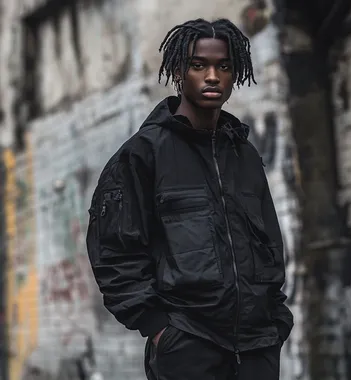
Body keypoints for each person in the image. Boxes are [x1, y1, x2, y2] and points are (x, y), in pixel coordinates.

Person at [86, 18, 293, 380]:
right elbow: (113, 251)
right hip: (189, 346)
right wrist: (159, 327)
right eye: (199, 65)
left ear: (235, 74)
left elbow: (270, 244)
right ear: (180, 71)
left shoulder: (244, 155)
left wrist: (276, 319)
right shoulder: (142, 154)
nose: (212, 76)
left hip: (257, 346)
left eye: (223, 66)